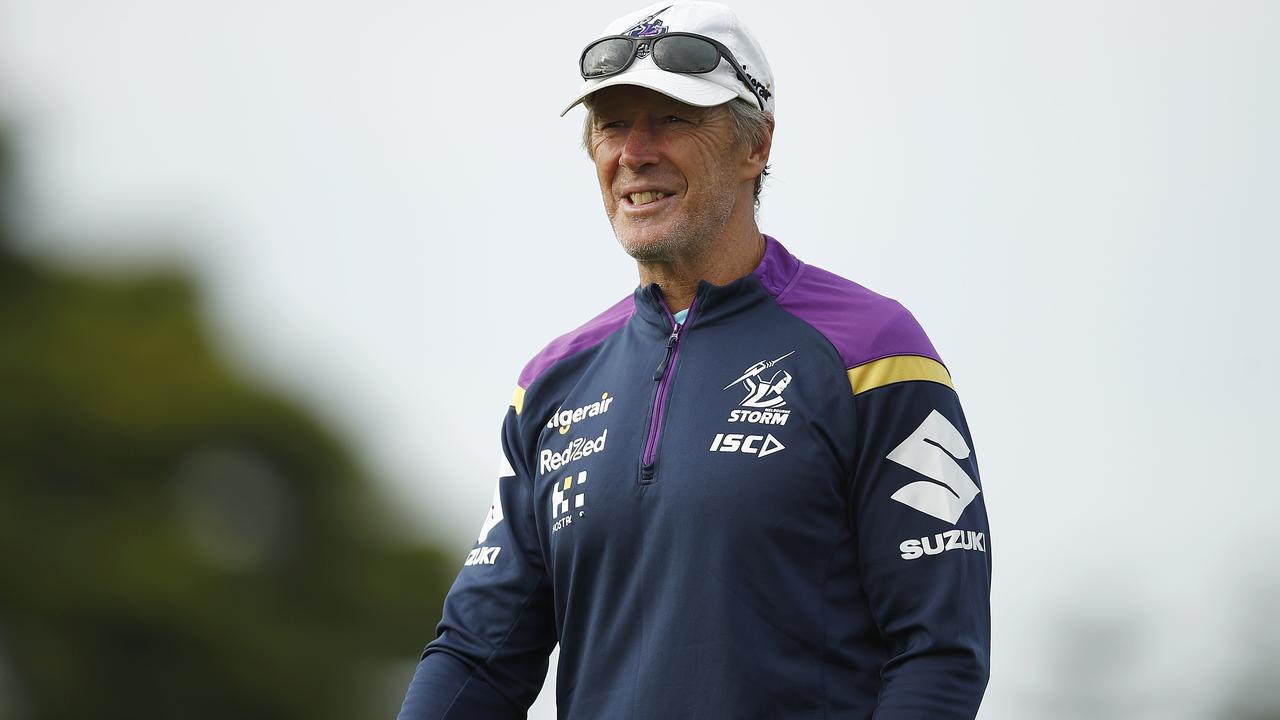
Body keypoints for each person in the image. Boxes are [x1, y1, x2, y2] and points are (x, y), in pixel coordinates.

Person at [397, 2, 991, 718]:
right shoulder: (551, 383)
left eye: (673, 119)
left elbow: (938, 653)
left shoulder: (874, 352)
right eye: (613, 125)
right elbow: (477, 659)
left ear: (756, 146)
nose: (635, 152)